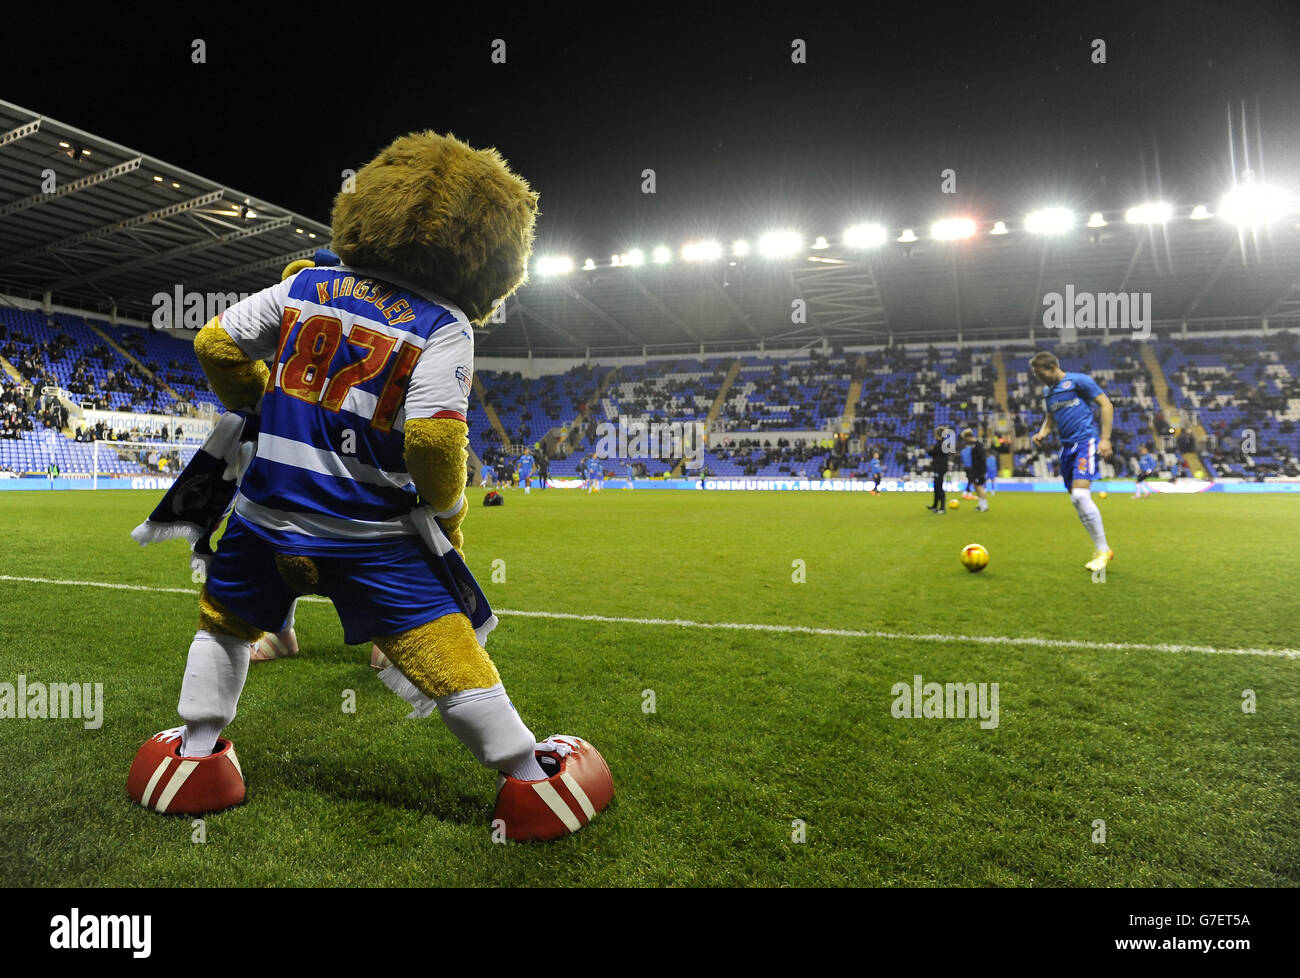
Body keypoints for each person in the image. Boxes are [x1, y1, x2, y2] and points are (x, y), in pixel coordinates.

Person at [126, 130, 610, 836]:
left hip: (263, 522)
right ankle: (531, 780)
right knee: (447, 649)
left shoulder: (305, 284)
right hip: (370, 539)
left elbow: (215, 344)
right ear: (491, 252)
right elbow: (435, 439)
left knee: (225, 624)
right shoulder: (443, 324)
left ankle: (197, 757)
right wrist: (448, 512)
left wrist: (256, 405)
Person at [1029, 351, 1114, 572]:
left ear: (1052, 366)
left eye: (1041, 374)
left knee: (1079, 495)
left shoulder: (1078, 381)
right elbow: (1050, 420)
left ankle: (1103, 550)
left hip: (1086, 442)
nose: (1039, 379)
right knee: (1076, 500)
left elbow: (1106, 405)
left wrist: (1105, 439)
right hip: (1066, 448)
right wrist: (1042, 433)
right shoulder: (1048, 393)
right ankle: (1100, 549)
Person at [962, 429, 989, 512]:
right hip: (975, 469)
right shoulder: (974, 445)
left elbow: (982, 458)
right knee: (975, 486)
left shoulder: (978, 444)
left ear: (967, 437)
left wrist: (982, 470)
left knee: (979, 486)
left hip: (979, 470)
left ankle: (984, 506)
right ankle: (980, 505)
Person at [925, 427, 950, 514]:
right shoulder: (942, 444)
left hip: (940, 468)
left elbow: (931, 453)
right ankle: (935, 506)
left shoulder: (941, 444)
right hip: (939, 467)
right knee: (936, 486)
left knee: (939, 487)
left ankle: (942, 508)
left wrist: (931, 449)